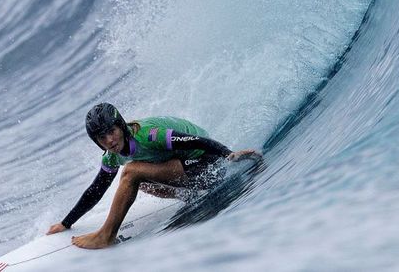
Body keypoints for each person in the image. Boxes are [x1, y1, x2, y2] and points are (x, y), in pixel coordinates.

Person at [46, 102, 261, 249]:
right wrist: (66, 223)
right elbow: (96, 190)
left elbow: (195, 141)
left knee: (131, 172)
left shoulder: (148, 134)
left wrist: (229, 154)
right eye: (102, 137)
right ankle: (190, 197)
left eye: (112, 131)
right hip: (190, 174)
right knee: (139, 183)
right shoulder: (112, 155)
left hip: (209, 164)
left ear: (121, 126)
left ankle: (106, 235)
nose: (110, 140)